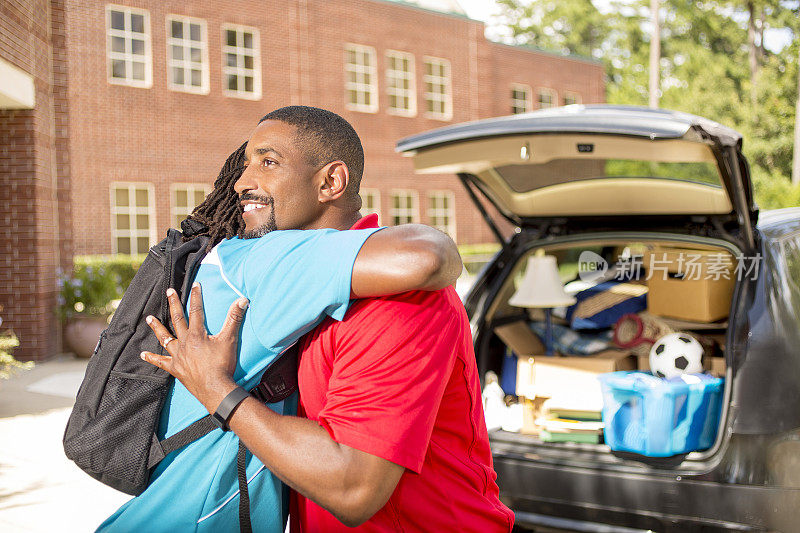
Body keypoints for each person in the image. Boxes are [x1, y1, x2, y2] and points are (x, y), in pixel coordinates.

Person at [141, 106, 514, 531]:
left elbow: (352, 487)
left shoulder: (400, 301)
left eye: (268, 161)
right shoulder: (292, 288)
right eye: (245, 164)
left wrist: (218, 392)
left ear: (330, 181)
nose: (242, 183)